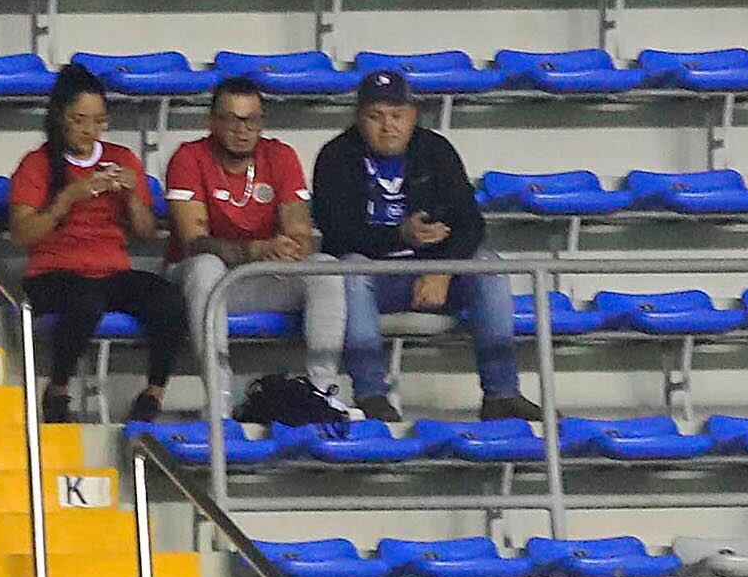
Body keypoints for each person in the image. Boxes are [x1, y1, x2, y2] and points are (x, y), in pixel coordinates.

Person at [306, 66, 538, 426]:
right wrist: (399, 236)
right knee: (349, 271)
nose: (388, 126)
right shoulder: (336, 156)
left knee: (489, 265)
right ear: (359, 118)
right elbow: (337, 234)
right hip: (374, 276)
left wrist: (442, 270)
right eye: (376, 117)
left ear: (412, 115)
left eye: (397, 115)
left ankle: (502, 394)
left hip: (433, 272)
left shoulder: (435, 149)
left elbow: (471, 222)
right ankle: (371, 395)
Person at [8, 59, 186, 425]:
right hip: (53, 271)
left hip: (110, 269)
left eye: (100, 121)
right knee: (85, 300)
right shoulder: (38, 164)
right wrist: (68, 198)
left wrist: (134, 194)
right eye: (80, 120)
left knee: (168, 300)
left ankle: (153, 392)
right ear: (60, 117)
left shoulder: (122, 159)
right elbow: (22, 234)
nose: (91, 130)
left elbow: (147, 232)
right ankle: (57, 390)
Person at [163, 74, 327, 421]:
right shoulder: (189, 157)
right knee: (207, 266)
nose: (243, 130)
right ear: (213, 121)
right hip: (194, 279)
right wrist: (255, 250)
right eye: (233, 120)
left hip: (256, 278)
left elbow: (301, 233)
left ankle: (322, 392)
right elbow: (195, 241)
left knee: (325, 268)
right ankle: (218, 396)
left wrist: (290, 247)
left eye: (252, 120)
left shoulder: (280, 156)